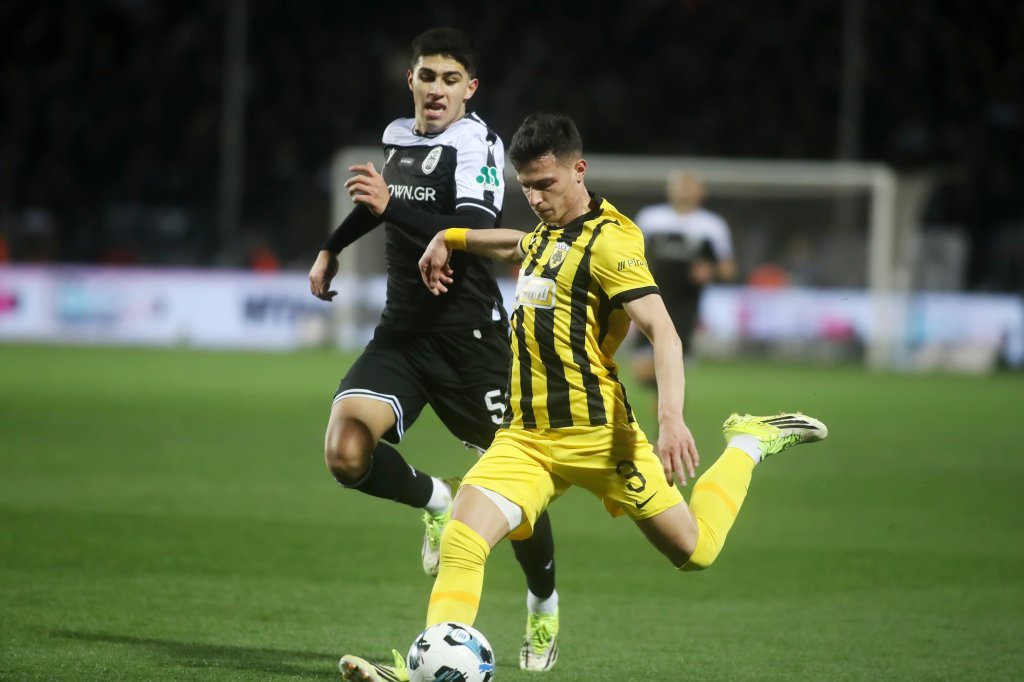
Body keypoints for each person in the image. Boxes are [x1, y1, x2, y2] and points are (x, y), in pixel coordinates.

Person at [338, 113, 828, 682]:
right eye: (526, 186)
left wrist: (671, 418)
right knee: (462, 540)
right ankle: (426, 671)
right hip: (525, 439)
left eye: (546, 184)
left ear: (579, 170)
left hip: (600, 437)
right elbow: (516, 245)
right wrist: (449, 237)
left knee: (695, 551)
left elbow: (664, 331)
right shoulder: (547, 231)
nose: (535, 198)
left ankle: (748, 442)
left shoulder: (612, 241)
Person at [308, 29, 560, 673]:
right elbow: (381, 209)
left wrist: (393, 206)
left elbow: (477, 231)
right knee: (345, 452)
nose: (437, 89)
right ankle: (438, 500)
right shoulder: (398, 136)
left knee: (518, 487)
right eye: (427, 76)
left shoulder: (477, 144)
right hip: (402, 334)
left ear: (470, 88)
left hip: (471, 341)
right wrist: (334, 245)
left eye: (451, 79)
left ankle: (543, 602)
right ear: (411, 81)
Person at [631, 170, 735, 386]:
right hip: (650, 300)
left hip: (686, 306)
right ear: (670, 190)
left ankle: (668, 403)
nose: (684, 192)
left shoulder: (712, 226)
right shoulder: (650, 219)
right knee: (643, 372)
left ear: (701, 192)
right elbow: (629, 254)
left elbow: (728, 269)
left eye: (690, 187)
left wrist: (710, 271)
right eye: (680, 186)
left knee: (673, 370)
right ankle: (665, 396)